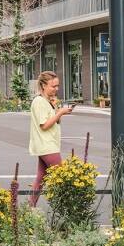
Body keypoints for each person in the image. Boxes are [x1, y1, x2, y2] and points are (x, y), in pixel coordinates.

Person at [28, 71, 74, 206]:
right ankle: (68, 209)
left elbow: (55, 122)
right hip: (47, 145)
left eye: (57, 86)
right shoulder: (39, 102)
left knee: (41, 178)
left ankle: (30, 207)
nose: (56, 89)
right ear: (43, 85)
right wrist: (60, 112)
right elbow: (45, 125)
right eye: (53, 86)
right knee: (62, 178)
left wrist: (56, 109)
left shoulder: (47, 101)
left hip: (46, 145)